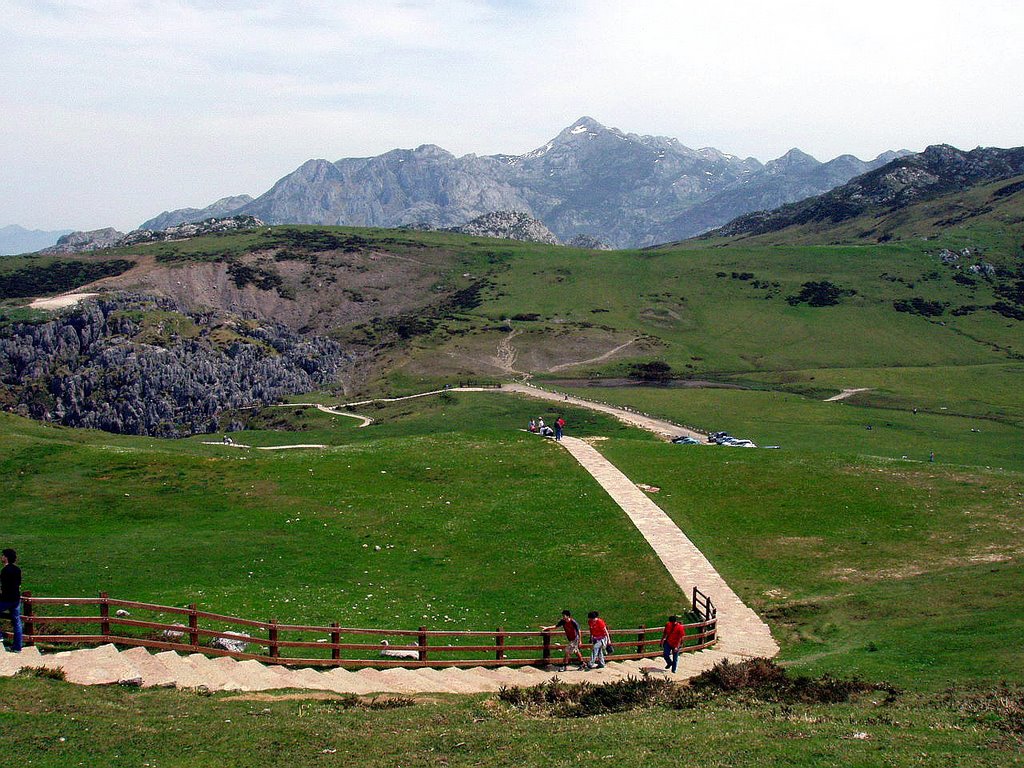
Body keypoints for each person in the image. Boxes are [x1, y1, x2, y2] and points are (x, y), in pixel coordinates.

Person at [0, 548, 22, 653]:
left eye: (3, 555)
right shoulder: (17, 570)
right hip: (16, 599)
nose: (1, 557)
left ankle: (0, 636)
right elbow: (18, 584)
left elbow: (4, 587)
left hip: (6, 599)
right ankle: (17, 647)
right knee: (17, 621)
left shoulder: (5, 570)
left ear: (6, 557)